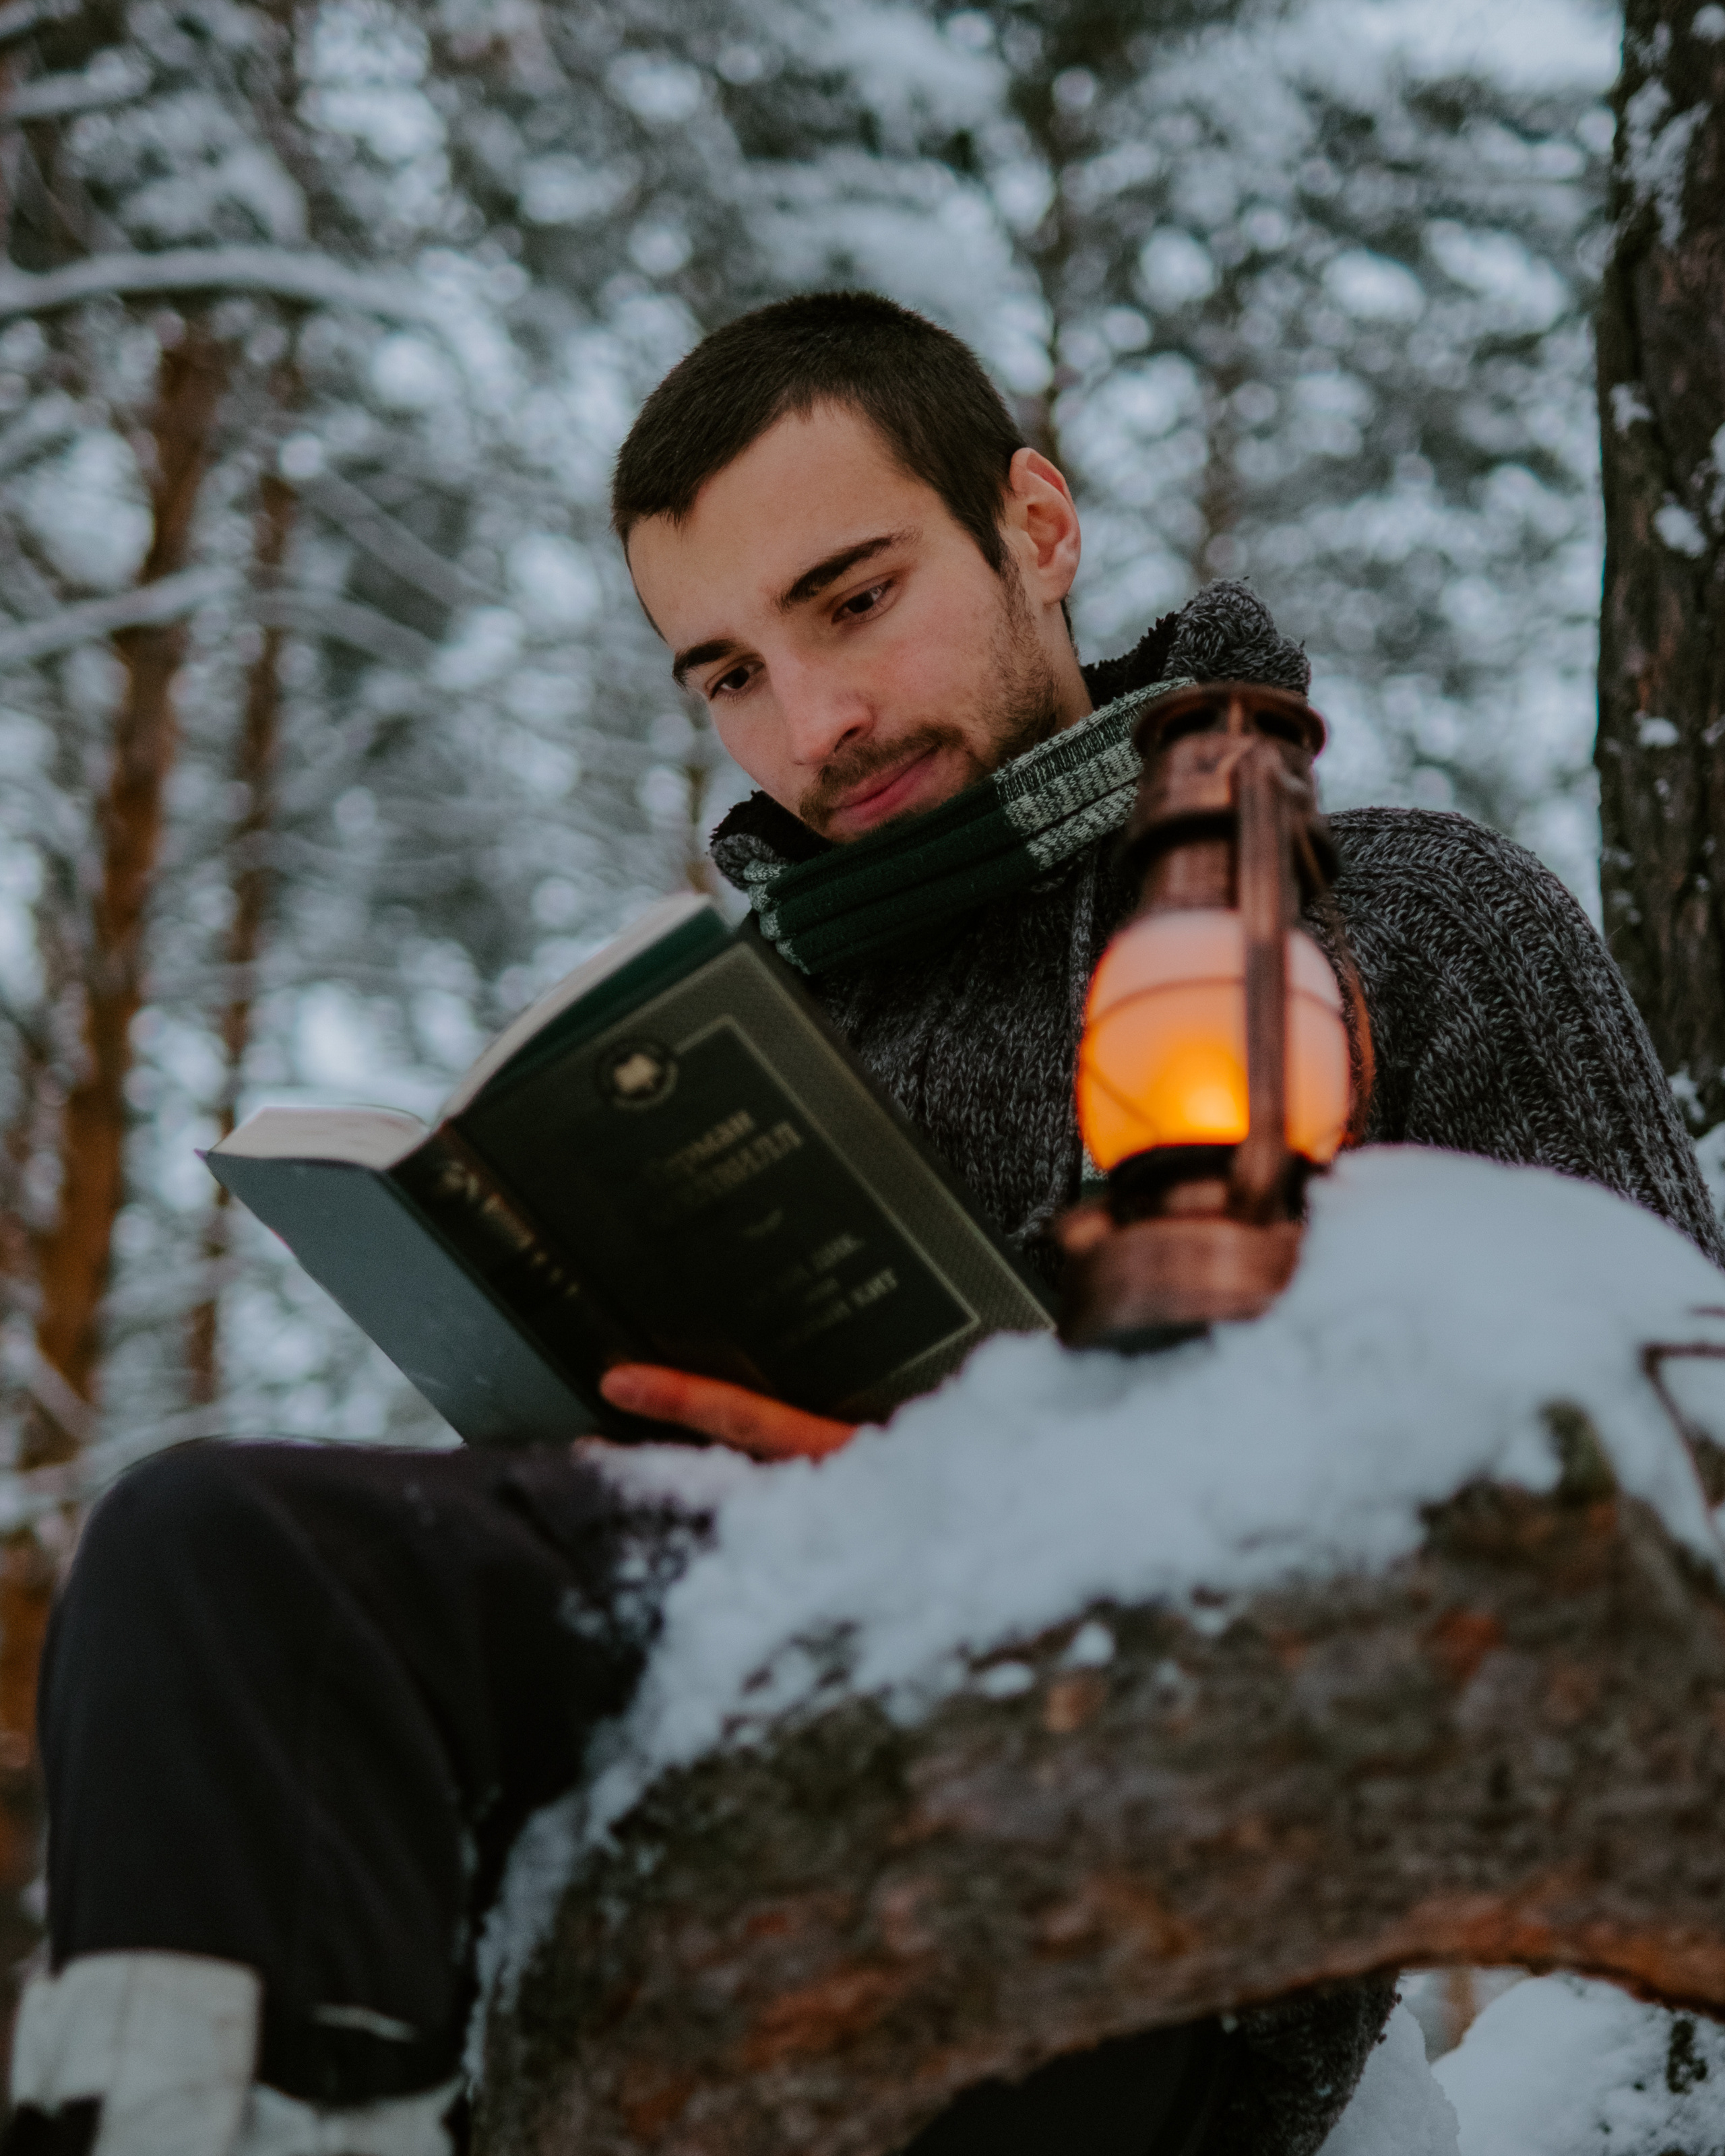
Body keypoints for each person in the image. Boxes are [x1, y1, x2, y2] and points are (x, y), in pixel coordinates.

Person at [8, 292, 1720, 2156]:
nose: (808, 724)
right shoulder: (715, 1046)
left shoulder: (1398, 919)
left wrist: (1007, 1478)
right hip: (705, 1700)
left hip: (1127, 1862)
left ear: (1037, 528)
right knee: (207, 1548)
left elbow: (1675, 1517)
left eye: (853, 600)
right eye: (727, 674)